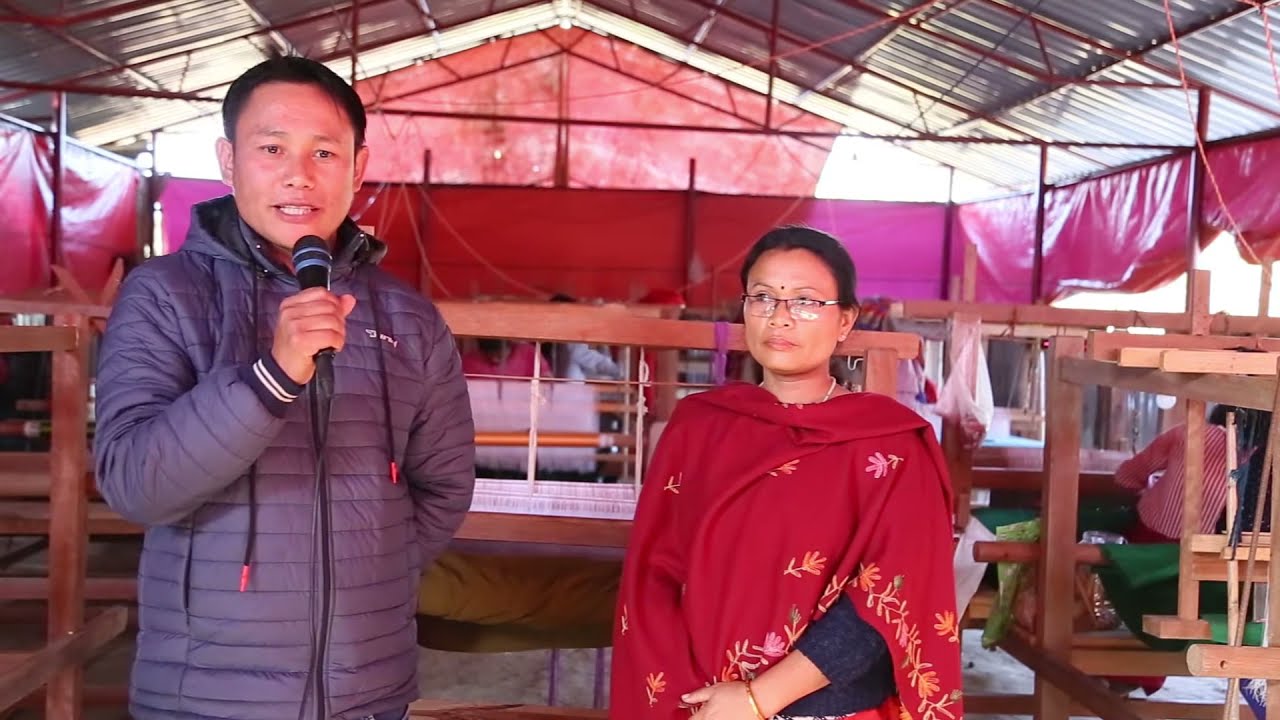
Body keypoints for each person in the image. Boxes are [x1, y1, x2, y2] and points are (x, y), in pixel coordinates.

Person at [93, 55, 476, 720]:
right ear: (228, 158)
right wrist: (271, 379)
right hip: (205, 693)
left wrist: (372, 567)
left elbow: (444, 484)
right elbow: (134, 484)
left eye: (324, 152)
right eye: (271, 147)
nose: (299, 174)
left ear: (358, 167)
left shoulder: (408, 318)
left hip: (368, 690)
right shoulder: (163, 296)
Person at [610, 227, 962, 720]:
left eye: (805, 301)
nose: (780, 316)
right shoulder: (698, 426)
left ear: (845, 321)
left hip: (827, 708)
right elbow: (652, 575)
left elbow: (887, 599)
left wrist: (758, 699)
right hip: (700, 704)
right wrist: (692, 696)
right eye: (763, 297)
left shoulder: (892, 444)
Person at [1113, 403, 1246, 542]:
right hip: (1210, 554)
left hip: (1149, 538)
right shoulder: (1259, 458)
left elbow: (1126, 476)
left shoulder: (1188, 433)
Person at [544, 293, 623, 381]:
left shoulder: (551, 333)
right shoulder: (569, 334)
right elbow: (591, 359)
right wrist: (618, 371)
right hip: (571, 388)